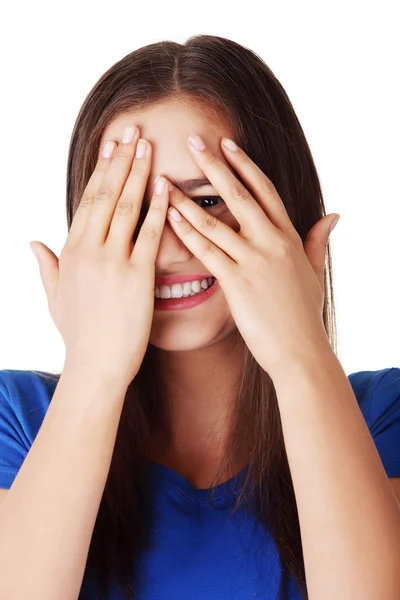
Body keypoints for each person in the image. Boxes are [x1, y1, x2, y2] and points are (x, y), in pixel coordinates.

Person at [0, 34, 400, 600]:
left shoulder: (383, 417)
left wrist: (301, 356)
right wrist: (92, 370)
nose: (167, 246)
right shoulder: (16, 420)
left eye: (208, 201)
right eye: (129, 208)